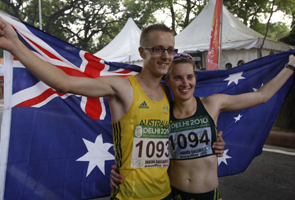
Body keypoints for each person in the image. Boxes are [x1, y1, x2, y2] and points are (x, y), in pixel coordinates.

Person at [0, 18, 225, 200]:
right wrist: (15, 46)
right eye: (157, 49)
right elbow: (64, 82)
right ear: (142, 52)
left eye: (170, 50)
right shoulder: (122, 87)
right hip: (128, 196)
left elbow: (191, 126)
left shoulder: (169, 94)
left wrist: (214, 140)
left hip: (165, 194)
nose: (165, 56)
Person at [164, 53, 295, 200]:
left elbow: (261, 96)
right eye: (177, 78)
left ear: (195, 78)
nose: (185, 83)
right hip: (175, 194)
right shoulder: (161, 112)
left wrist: (291, 66)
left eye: (189, 77)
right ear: (167, 81)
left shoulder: (212, 104)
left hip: (209, 194)